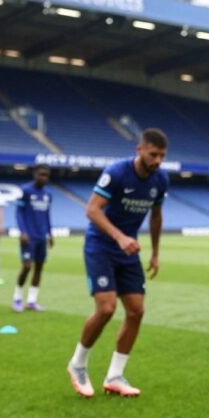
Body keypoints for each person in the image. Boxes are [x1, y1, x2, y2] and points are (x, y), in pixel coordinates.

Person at [67, 129, 169, 398]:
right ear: (140, 150)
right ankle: (77, 364)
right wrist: (120, 237)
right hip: (101, 245)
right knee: (106, 308)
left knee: (136, 311)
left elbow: (156, 216)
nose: (158, 161)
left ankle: (115, 376)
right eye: (153, 154)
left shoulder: (161, 180)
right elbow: (92, 210)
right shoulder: (117, 172)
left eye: (162, 156)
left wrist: (155, 253)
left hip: (128, 250)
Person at [13, 165, 54, 312]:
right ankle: (17, 298)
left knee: (39, 268)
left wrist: (50, 233)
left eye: (46, 175)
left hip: (41, 237)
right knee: (26, 267)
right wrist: (23, 232)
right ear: (35, 174)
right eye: (41, 175)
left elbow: (47, 215)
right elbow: (19, 213)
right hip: (28, 237)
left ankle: (31, 301)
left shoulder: (48, 194)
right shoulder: (25, 191)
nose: (43, 178)